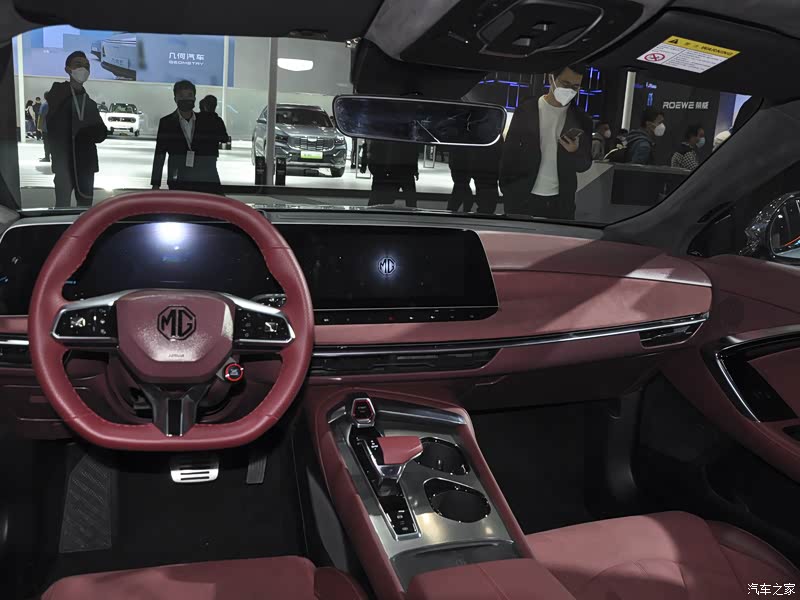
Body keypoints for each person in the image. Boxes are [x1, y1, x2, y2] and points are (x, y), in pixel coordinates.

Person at [499, 63, 592, 220]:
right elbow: (509, 154)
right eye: (565, 84)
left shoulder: (582, 120)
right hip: (522, 197)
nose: (569, 90)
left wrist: (574, 151)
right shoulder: (526, 110)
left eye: (575, 87)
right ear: (551, 79)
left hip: (561, 201)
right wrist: (507, 190)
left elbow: (584, 165)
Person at [46, 51, 107, 208]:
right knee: (62, 206)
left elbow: (101, 132)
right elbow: (53, 129)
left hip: (86, 163)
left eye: (87, 66)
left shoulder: (90, 103)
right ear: (68, 69)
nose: (83, 69)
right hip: (64, 162)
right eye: (78, 65)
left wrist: (91, 132)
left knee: (85, 207)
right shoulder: (58, 96)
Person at [151, 81, 229, 194]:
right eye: (181, 96)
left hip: (206, 178)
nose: (186, 99)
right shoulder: (167, 123)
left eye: (189, 95)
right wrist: (155, 183)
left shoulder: (207, 121)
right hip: (178, 178)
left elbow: (222, 137)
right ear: (175, 99)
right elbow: (160, 154)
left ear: (194, 98)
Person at [447, 139, 502, 214]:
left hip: (464, 150)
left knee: (460, 186)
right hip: (486, 156)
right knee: (486, 198)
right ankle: (463, 206)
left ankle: (457, 208)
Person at [363, 140, 419, 207]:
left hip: (389, 167)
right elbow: (413, 150)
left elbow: (371, 147)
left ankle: (371, 210)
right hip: (401, 167)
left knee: (376, 196)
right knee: (410, 197)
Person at [38, 92, 50, 162]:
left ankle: (47, 157)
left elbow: (41, 116)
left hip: (46, 128)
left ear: (44, 97)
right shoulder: (56, 104)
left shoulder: (44, 105)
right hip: (54, 129)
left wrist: (39, 127)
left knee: (46, 143)